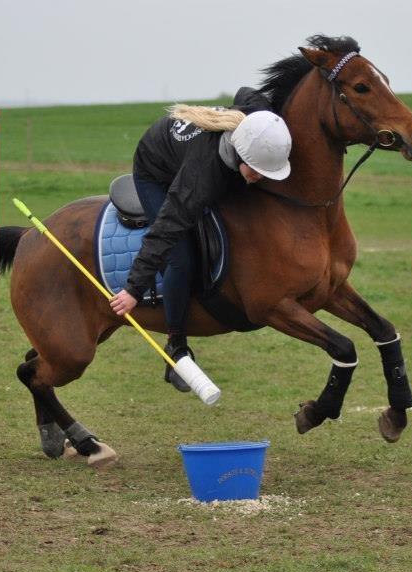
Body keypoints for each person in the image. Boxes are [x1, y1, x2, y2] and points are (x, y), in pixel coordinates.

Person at [109, 88, 292, 391]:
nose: (261, 176)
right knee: (180, 259)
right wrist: (132, 289)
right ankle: (176, 348)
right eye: (257, 171)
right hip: (156, 170)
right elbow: (164, 230)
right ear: (241, 155)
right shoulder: (202, 176)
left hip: (194, 153)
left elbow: (248, 92)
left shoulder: (260, 123)